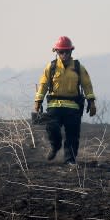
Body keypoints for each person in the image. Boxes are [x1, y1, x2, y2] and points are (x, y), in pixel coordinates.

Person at [34, 36, 97, 165]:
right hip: (54, 106)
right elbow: (43, 84)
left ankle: (70, 161)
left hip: (73, 107)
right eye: (60, 52)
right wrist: (38, 100)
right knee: (52, 128)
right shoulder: (50, 67)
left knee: (72, 135)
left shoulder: (79, 67)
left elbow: (87, 85)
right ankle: (55, 146)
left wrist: (91, 102)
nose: (64, 54)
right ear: (56, 52)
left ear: (71, 52)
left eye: (66, 52)